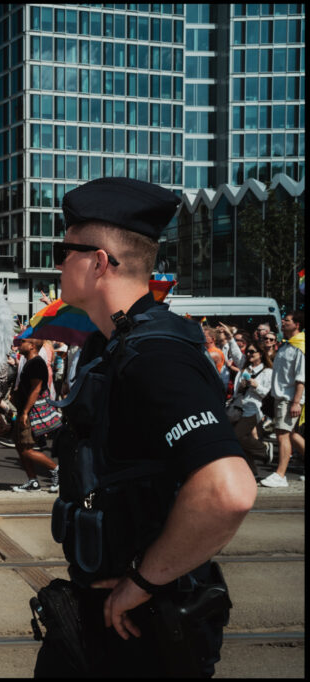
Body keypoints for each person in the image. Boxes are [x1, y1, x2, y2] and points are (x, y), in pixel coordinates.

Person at [34, 176, 256, 677]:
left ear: (98, 262)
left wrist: (143, 580)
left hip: (140, 633)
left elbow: (228, 489)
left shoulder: (155, 356)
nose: (56, 262)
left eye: (63, 250)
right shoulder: (109, 348)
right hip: (104, 623)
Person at [8, 337, 60, 493]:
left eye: (23, 342)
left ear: (31, 346)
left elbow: (36, 389)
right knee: (20, 445)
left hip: (30, 412)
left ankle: (57, 469)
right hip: (24, 409)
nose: (19, 345)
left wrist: (24, 412)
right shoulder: (29, 362)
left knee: (26, 449)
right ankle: (33, 481)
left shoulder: (36, 363)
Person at [260, 311, 304, 488]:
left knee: (282, 434)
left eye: (287, 320)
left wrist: (296, 402)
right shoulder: (286, 345)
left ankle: (280, 475)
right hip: (279, 396)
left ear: (297, 325)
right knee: (291, 435)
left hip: (289, 398)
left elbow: (302, 378)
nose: (283, 323)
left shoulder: (300, 346)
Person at [229, 342, 273, 477]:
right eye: (247, 352)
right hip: (239, 408)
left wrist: (256, 386)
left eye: (252, 352)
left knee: (237, 436)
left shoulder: (267, 372)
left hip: (254, 410)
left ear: (260, 354)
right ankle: (251, 470)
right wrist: (242, 386)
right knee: (242, 439)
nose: (249, 354)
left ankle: (264, 449)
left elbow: (267, 393)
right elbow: (237, 392)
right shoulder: (245, 370)